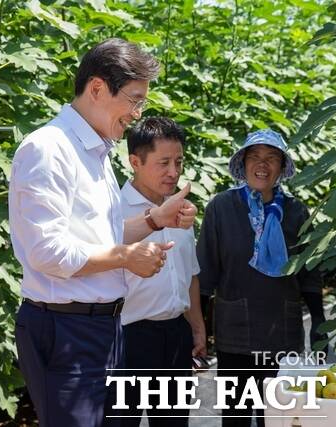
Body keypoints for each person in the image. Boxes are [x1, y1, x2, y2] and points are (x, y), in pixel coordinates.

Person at [8, 38, 197, 427]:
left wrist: (154, 221)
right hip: (66, 332)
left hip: (105, 329)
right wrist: (127, 258)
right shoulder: (48, 149)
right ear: (97, 88)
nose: (137, 112)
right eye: (134, 99)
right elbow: (48, 253)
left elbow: (101, 235)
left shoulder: (96, 154)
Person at [197, 129, 324, 427]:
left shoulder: (295, 211)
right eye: (254, 157)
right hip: (235, 336)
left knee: (281, 418)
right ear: (242, 164)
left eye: (271, 158)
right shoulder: (222, 208)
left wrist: (319, 322)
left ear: (282, 167)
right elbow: (206, 273)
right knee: (237, 418)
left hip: (283, 335)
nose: (262, 165)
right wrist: (198, 330)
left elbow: (309, 274)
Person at [117, 117, 206, 426]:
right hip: (128, 336)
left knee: (173, 422)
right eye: (164, 162)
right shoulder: (113, 211)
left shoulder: (182, 211)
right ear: (135, 161)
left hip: (175, 335)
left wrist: (196, 325)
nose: (174, 172)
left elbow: (190, 273)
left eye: (179, 162)